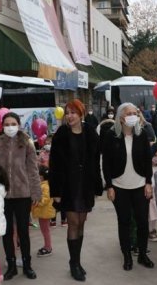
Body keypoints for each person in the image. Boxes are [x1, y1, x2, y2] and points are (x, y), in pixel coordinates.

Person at [49, 99, 103, 281]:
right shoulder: (61, 135)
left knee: (81, 222)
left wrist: (97, 184)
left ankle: (77, 261)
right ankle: (74, 263)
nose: (69, 116)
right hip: (68, 186)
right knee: (73, 222)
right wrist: (55, 192)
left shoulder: (90, 133)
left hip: (85, 185)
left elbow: (95, 161)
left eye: (73, 112)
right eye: (67, 113)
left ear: (81, 114)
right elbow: (54, 165)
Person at [0, 111, 41, 280]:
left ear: (18, 125)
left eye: (13, 124)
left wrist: (36, 191)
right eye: (7, 124)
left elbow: (33, 169)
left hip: (23, 194)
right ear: (2, 126)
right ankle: (11, 265)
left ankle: (27, 264)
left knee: (23, 231)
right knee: (7, 231)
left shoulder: (27, 143)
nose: (10, 127)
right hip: (2, 195)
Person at [102, 102, 155, 271]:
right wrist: (109, 186)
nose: (133, 115)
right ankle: (126, 256)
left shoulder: (142, 135)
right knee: (124, 222)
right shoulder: (111, 136)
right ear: (121, 117)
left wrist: (148, 182)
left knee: (142, 222)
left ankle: (142, 255)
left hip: (140, 185)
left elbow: (148, 161)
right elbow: (106, 163)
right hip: (119, 187)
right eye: (129, 113)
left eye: (135, 113)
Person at [33, 166, 55, 257]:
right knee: (44, 230)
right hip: (43, 212)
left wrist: (36, 202)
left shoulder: (45, 186)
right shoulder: (43, 185)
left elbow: (45, 199)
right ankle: (47, 246)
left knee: (45, 230)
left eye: (38, 175)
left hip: (45, 213)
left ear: (42, 177)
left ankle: (48, 247)